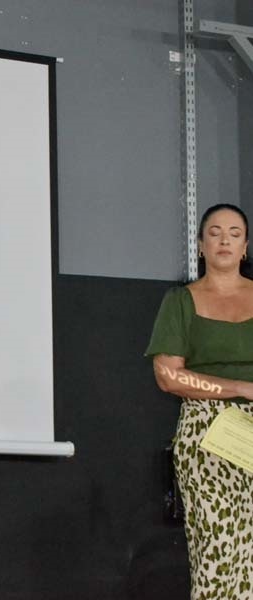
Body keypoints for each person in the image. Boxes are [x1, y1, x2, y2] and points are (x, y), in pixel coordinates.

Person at [146, 203, 253, 600]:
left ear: (245, 247)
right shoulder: (181, 300)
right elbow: (168, 376)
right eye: (215, 232)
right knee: (219, 549)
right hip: (208, 434)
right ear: (201, 245)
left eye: (234, 234)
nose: (225, 240)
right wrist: (239, 388)